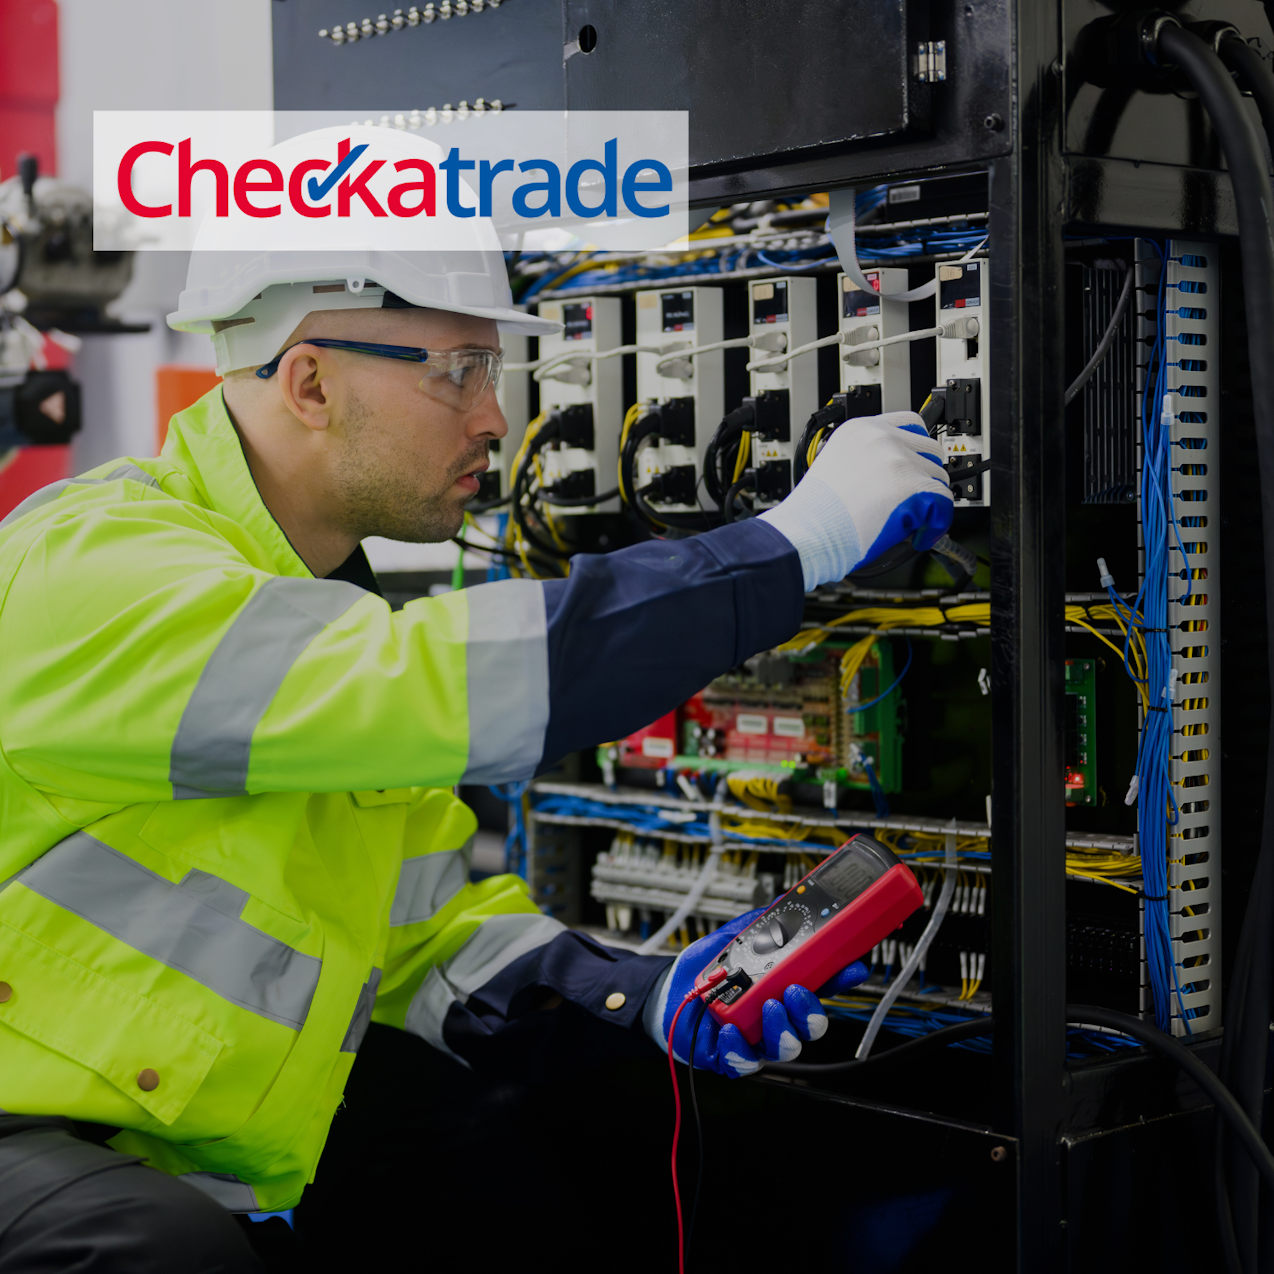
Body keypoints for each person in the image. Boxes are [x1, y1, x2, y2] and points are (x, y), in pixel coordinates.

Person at [0, 140, 952, 1273]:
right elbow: (431, 680)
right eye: (456, 369)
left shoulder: (316, 614)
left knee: (496, 1167)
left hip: (161, 1150)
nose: (494, 419)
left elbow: (420, 936)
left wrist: (640, 995)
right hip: (36, 1141)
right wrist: (788, 547)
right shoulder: (99, 564)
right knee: (155, 1252)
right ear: (308, 382)